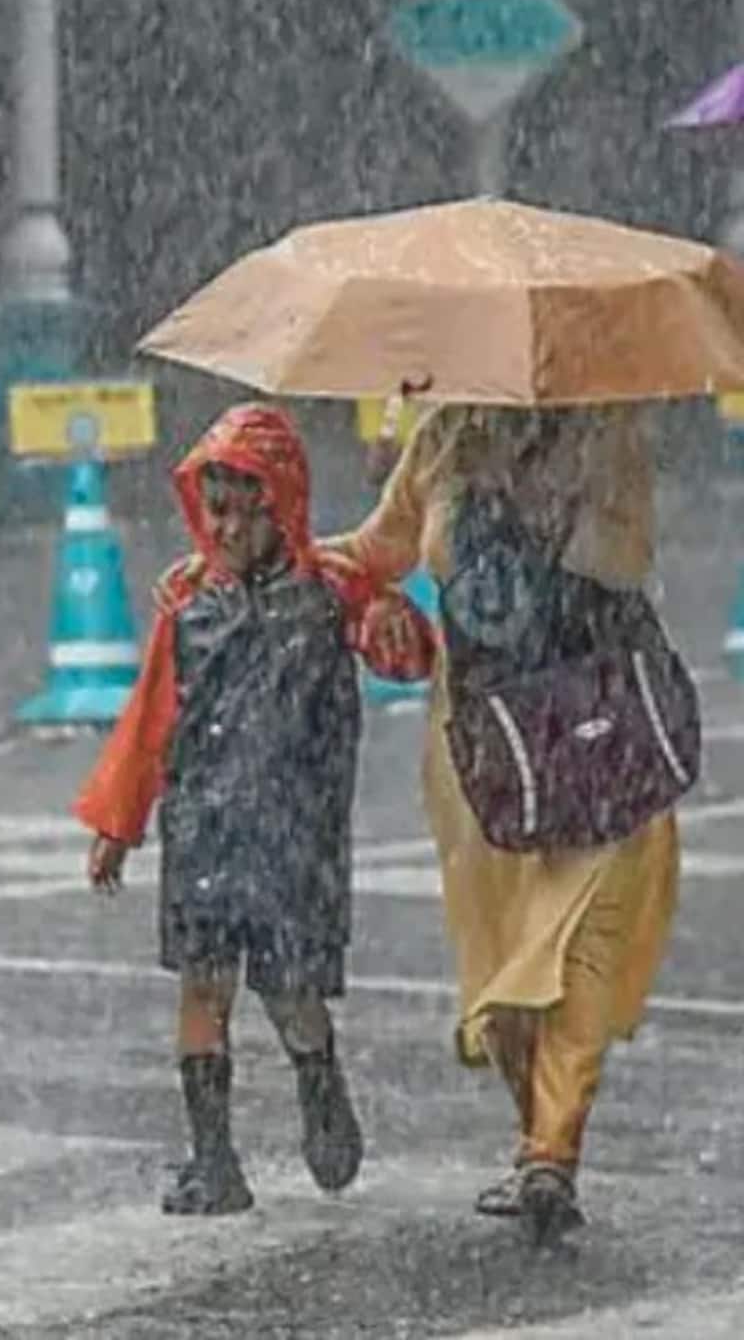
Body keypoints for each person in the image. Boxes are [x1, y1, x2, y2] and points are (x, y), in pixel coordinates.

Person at [324, 403, 682, 1247]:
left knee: (581, 940)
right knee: (502, 957)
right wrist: (270, 561)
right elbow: (377, 549)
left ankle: (552, 1152)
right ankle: (537, 1137)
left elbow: (625, 559)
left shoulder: (608, 428)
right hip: (486, 750)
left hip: (598, 721)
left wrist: (549, 494)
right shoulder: (443, 438)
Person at [75, 404, 435, 1216]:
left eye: (246, 511)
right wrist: (118, 824)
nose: (228, 529)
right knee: (203, 986)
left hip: (294, 836)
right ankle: (214, 1160)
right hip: (204, 829)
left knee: (288, 990)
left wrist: (390, 617)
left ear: (284, 506)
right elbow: (151, 718)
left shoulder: (331, 591)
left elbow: (409, 656)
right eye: (216, 511)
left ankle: (318, 1076)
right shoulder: (189, 604)